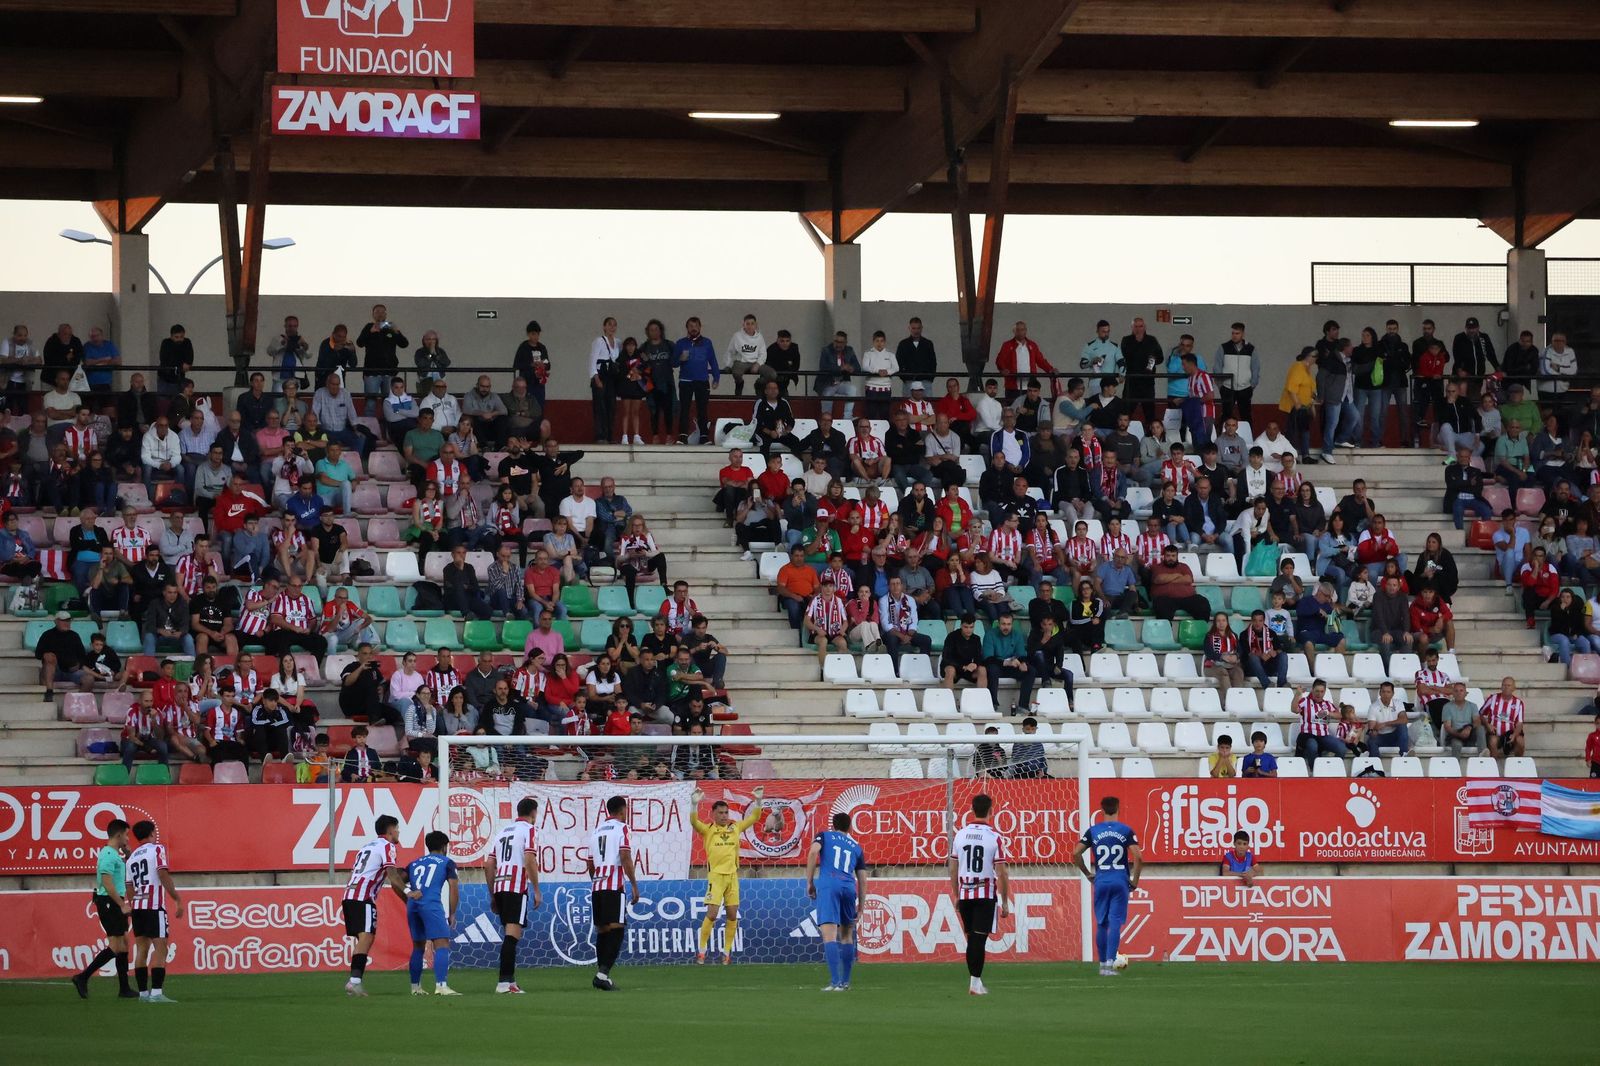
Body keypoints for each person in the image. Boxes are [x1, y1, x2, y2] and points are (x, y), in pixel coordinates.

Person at [688, 785, 767, 965]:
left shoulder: (735, 827)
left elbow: (755, 817)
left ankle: (726, 953)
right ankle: (702, 952)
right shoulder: (708, 830)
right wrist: (694, 805)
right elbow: (693, 822)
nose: (724, 816)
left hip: (732, 877)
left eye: (726, 812)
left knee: (732, 915)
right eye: (721, 813)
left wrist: (758, 801)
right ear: (713, 814)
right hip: (716, 877)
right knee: (712, 914)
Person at [948, 793, 1010, 997]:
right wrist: (1005, 901)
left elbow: (953, 869)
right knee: (978, 939)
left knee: (972, 938)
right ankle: (975, 983)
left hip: (965, 893)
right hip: (984, 894)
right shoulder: (994, 837)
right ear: (991, 811)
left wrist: (956, 895)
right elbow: (1002, 872)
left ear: (972, 810)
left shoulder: (960, 835)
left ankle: (976, 982)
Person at [1073, 796, 1141, 978]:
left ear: (1102, 810)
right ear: (1118, 809)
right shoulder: (1126, 830)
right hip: (1120, 881)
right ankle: (1110, 965)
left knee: (1101, 924)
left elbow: (1076, 852)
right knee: (1115, 923)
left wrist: (1088, 873)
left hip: (1101, 881)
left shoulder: (1093, 831)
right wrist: (1135, 880)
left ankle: (1102, 966)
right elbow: (1138, 856)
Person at [342, 814, 408, 996]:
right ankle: (354, 982)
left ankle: (355, 982)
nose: (398, 832)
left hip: (349, 895)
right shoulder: (388, 846)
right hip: (363, 897)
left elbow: (354, 873)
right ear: (390, 830)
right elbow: (392, 875)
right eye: (397, 828)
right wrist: (408, 892)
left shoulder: (366, 847)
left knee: (364, 938)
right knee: (366, 937)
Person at [72, 817, 136, 1000]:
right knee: (115, 946)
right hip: (109, 902)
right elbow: (107, 883)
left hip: (114, 901)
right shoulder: (107, 854)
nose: (128, 839)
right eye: (126, 835)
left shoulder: (115, 854)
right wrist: (121, 904)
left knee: (124, 943)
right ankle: (82, 977)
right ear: (118, 835)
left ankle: (124, 988)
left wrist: (128, 854)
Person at [806, 810, 867, 992]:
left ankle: (834, 982)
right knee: (847, 936)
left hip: (829, 885)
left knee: (829, 935)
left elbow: (813, 853)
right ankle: (845, 982)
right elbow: (863, 879)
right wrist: (861, 907)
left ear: (833, 825)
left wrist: (809, 882)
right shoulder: (857, 847)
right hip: (849, 887)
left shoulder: (824, 836)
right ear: (850, 828)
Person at [124, 820, 183, 1002]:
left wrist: (133, 904)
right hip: (154, 905)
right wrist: (176, 898)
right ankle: (156, 993)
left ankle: (143, 994)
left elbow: (129, 886)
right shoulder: (157, 849)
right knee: (161, 947)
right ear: (151, 833)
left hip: (138, 907)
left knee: (141, 949)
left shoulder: (131, 858)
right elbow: (162, 873)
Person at [488, 796, 541, 995]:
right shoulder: (530, 830)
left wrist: (493, 895)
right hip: (515, 887)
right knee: (512, 936)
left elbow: (489, 865)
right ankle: (504, 983)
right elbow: (529, 860)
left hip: (500, 886)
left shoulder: (502, 832)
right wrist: (536, 889)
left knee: (509, 935)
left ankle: (510, 981)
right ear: (533, 813)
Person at [586, 795, 640, 991]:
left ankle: (602, 976)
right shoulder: (622, 828)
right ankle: (602, 975)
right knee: (617, 928)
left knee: (603, 929)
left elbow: (590, 863)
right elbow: (625, 857)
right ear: (623, 810)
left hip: (597, 886)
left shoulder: (596, 831)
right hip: (613, 885)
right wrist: (634, 884)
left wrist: (596, 880)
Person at [403, 830, 460, 997]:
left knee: (418, 946)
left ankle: (415, 987)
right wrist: (452, 913)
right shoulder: (447, 862)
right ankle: (441, 986)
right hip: (431, 904)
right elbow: (453, 888)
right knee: (442, 944)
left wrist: (407, 894)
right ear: (444, 847)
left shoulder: (414, 863)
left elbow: (397, 880)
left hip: (413, 904)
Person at [1293, 680, 1348, 760]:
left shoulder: (1327, 704)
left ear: (1325, 692)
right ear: (1312, 690)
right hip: (1308, 734)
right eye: (1317, 691)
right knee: (1312, 746)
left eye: (1322, 691)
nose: (1319, 694)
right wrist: (1297, 695)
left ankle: (1334, 766)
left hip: (1324, 735)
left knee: (1342, 748)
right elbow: (1294, 710)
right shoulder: (1305, 701)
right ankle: (1313, 767)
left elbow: (1340, 715)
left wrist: (1328, 713)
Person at [1439, 682, 1486, 757]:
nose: (1459, 693)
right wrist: (1459, 734)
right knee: (1457, 744)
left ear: (1466, 693)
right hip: (1455, 735)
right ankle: (1455, 764)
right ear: (1453, 693)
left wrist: (1469, 728)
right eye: (1456, 691)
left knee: (1480, 728)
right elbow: (1447, 727)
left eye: (1461, 691)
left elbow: (1477, 721)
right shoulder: (1447, 707)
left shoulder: (1473, 706)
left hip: (1470, 733)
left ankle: (1483, 755)